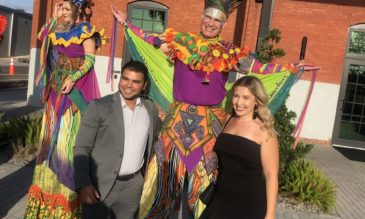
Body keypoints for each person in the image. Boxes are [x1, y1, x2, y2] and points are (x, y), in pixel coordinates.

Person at [112, 0, 305, 218]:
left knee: (203, 189)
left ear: (223, 25)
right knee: (162, 185)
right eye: (208, 17)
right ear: (201, 17)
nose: (211, 23)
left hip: (209, 128)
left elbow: (259, 68)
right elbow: (152, 41)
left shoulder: (229, 52)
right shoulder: (181, 42)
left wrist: (290, 68)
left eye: (217, 20)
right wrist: (127, 23)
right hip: (176, 124)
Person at [24, 0, 103, 218]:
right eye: (62, 8)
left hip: (73, 95)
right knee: (49, 141)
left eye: (67, 9)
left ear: (78, 10)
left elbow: (90, 61)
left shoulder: (86, 30)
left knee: (66, 143)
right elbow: (41, 36)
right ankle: (45, 201)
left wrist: (73, 78)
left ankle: (66, 202)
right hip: (55, 92)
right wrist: (55, 15)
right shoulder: (58, 30)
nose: (64, 12)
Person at [73, 60, 162, 219]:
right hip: (100, 185)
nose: (128, 85)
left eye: (136, 81)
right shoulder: (99, 106)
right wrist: (84, 184)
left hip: (133, 186)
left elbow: (158, 140)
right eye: (125, 78)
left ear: (144, 84)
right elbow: (81, 148)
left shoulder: (150, 109)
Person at [201, 76, 279, 219]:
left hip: (250, 204)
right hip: (221, 197)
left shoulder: (265, 131)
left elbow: (271, 175)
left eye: (246, 98)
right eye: (236, 96)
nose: (239, 102)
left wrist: (270, 214)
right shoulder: (228, 120)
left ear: (257, 100)